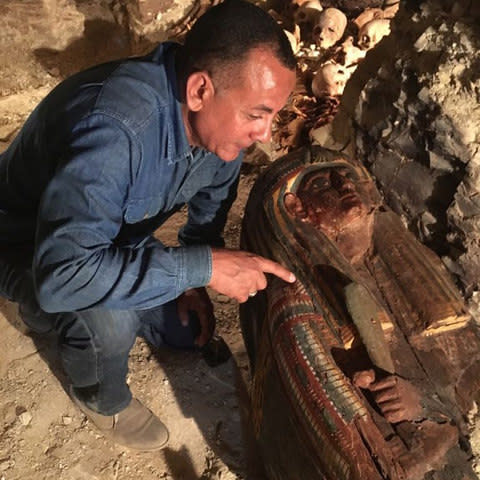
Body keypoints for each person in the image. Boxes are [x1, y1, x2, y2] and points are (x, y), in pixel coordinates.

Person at [0, 0, 297, 451]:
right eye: (257, 114)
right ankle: (99, 396)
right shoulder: (117, 131)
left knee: (184, 332)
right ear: (200, 90)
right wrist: (202, 268)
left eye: (273, 115)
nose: (267, 134)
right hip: (31, 246)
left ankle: (77, 313)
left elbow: (206, 217)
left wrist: (194, 282)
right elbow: (64, 274)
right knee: (109, 319)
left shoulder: (219, 133)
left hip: (106, 236)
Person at [240, 145, 480, 479]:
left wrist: (425, 406)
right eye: (324, 185)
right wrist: (420, 420)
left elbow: (469, 371)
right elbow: (349, 444)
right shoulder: (295, 301)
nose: (345, 184)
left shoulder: (413, 265)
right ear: (297, 209)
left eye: (348, 177)